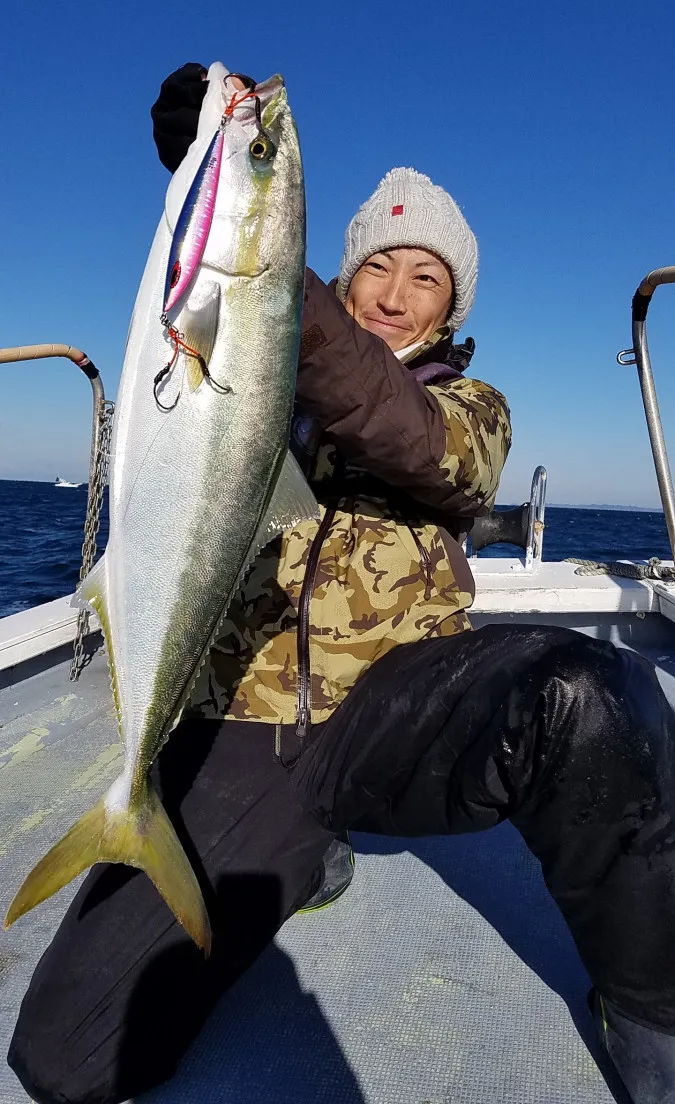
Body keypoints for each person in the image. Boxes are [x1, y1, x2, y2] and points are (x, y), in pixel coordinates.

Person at [8, 64, 675, 1104]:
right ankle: (301, 852)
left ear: (454, 301)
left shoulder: (473, 407)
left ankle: (650, 1010)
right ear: (347, 271)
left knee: (590, 694)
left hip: (403, 711)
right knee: (65, 1057)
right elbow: (214, 329)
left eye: (428, 278)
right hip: (247, 723)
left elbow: (423, 447)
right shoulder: (253, 375)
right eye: (379, 267)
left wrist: (284, 294)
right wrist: (199, 158)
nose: (397, 294)